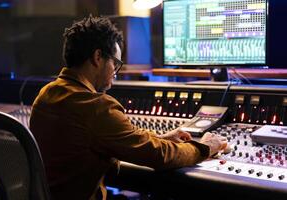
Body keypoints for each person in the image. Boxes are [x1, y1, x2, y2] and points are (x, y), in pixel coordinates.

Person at [29, 15, 227, 200]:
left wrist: (162, 137)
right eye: (115, 64)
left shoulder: (46, 94)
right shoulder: (95, 107)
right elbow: (160, 156)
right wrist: (205, 147)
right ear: (98, 57)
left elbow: (116, 138)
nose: (115, 74)